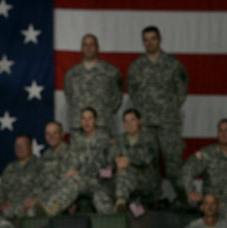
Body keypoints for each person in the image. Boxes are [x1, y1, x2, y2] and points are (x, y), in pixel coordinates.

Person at [127, 26, 188, 203]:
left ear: (159, 39)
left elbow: (181, 90)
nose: (149, 43)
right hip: (146, 123)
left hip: (168, 122)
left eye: (153, 38)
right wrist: (143, 113)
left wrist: (169, 109)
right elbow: (133, 91)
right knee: (149, 165)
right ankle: (154, 201)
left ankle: (184, 200)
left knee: (174, 164)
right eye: (146, 39)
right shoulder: (137, 66)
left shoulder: (172, 64)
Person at [64, 34, 123, 134]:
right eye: (85, 45)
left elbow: (117, 98)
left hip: (102, 125)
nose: (88, 48)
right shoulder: (72, 73)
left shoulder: (110, 71)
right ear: (81, 48)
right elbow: (69, 97)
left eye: (92, 45)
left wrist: (105, 112)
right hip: (79, 126)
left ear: (98, 47)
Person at [23, 121, 80, 216]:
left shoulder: (71, 153)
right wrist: (33, 198)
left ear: (62, 134)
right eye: (48, 134)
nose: (51, 136)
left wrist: (40, 199)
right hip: (45, 197)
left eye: (55, 133)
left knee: (36, 212)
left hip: (60, 199)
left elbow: (66, 184)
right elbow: (39, 182)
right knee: (27, 210)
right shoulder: (45, 156)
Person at [109, 109, 161, 212]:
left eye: (132, 120)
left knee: (124, 171)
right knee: (116, 174)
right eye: (126, 121)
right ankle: (121, 204)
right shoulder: (120, 140)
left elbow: (147, 158)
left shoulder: (149, 139)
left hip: (145, 181)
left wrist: (127, 160)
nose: (129, 124)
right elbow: (110, 161)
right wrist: (116, 161)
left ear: (139, 121)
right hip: (124, 182)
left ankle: (121, 202)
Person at [66, 107, 114, 214]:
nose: (86, 122)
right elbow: (72, 166)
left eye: (90, 118)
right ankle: (51, 208)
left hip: (102, 183)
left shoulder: (105, 140)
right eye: (83, 119)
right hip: (82, 185)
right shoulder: (77, 142)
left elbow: (109, 171)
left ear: (96, 121)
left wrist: (81, 173)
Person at [0, 134, 42, 218]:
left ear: (30, 147)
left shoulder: (40, 166)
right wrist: (0, 205)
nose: (19, 148)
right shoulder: (10, 168)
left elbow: (43, 189)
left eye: (23, 145)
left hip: (28, 209)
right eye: (17, 145)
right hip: (8, 211)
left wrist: (35, 201)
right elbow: (1, 192)